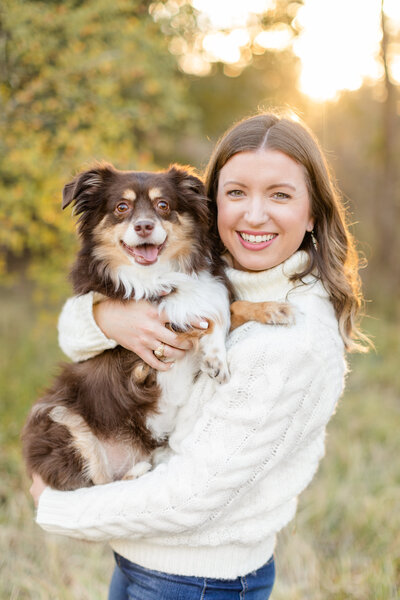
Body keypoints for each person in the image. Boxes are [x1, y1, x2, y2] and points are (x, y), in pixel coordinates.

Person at [30, 112, 369, 599]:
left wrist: (53, 507)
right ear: (212, 207)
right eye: (236, 193)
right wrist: (107, 317)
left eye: (280, 194)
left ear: (314, 210)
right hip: (140, 561)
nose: (254, 215)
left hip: (196, 578)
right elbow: (73, 331)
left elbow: (188, 497)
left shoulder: (294, 341)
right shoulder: (213, 277)